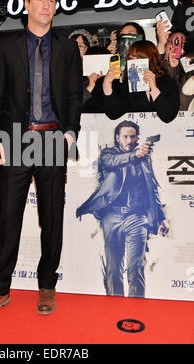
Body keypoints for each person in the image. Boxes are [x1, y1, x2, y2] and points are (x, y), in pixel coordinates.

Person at [0, 0, 83, 319]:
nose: (47, 5)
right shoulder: (7, 45)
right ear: (27, 4)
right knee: (8, 218)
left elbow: (73, 95)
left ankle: (48, 286)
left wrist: (71, 133)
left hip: (53, 137)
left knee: (51, 217)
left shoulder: (66, 46)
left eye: (52, 0)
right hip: (16, 138)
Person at [76, 120, 168, 298]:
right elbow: (112, 162)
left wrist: (159, 218)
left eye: (132, 136)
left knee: (136, 267)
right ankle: (114, 308)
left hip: (137, 217)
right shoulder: (108, 154)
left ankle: (136, 308)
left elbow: (151, 187)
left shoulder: (144, 158)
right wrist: (136, 155)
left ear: (137, 138)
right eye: (125, 136)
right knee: (114, 268)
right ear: (118, 138)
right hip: (112, 216)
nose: (129, 140)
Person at [96, 40, 179, 123]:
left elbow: (168, 115)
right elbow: (113, 113)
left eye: (140, 58)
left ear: (151, 59)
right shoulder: (128, 84)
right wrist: (107, 84)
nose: (135, 62)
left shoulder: (167, 82)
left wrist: (154, 88)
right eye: (131, 58)